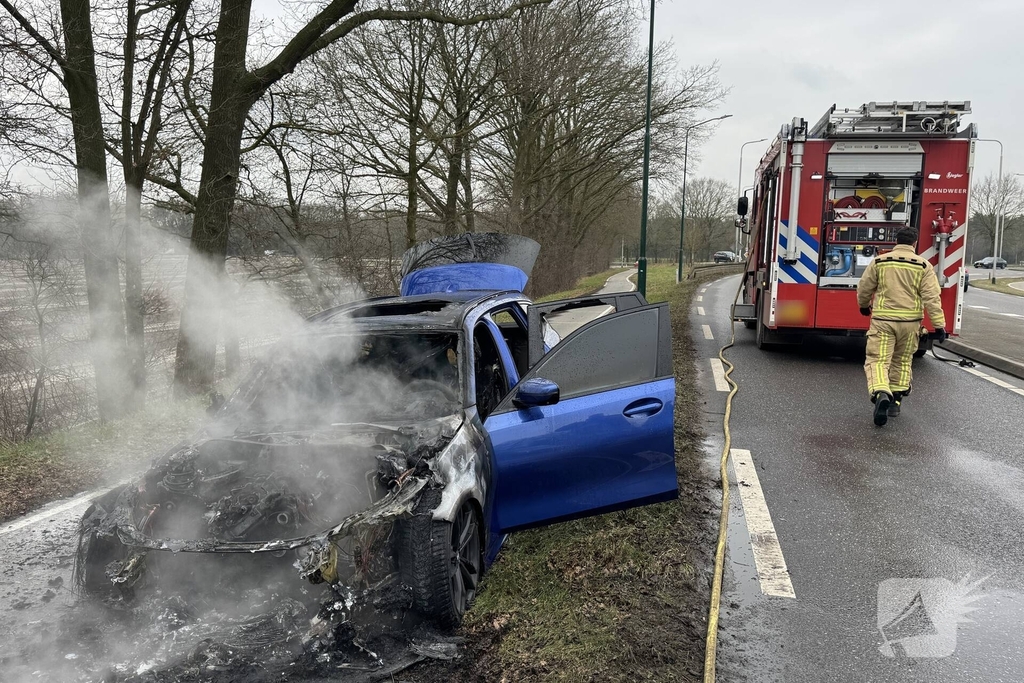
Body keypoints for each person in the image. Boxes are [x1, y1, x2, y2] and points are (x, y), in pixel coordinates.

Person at [856, 227, 947, 426]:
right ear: (914, 244)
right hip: (910, 324)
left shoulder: (880, 262)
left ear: (895, 241)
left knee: (878, 360)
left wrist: (864, 305)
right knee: (902, 361)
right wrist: (939, 326)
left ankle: (881, 392)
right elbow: (932, 297)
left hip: (883, 322)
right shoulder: (923, 266)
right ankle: (895, 402)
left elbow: (865, 286)